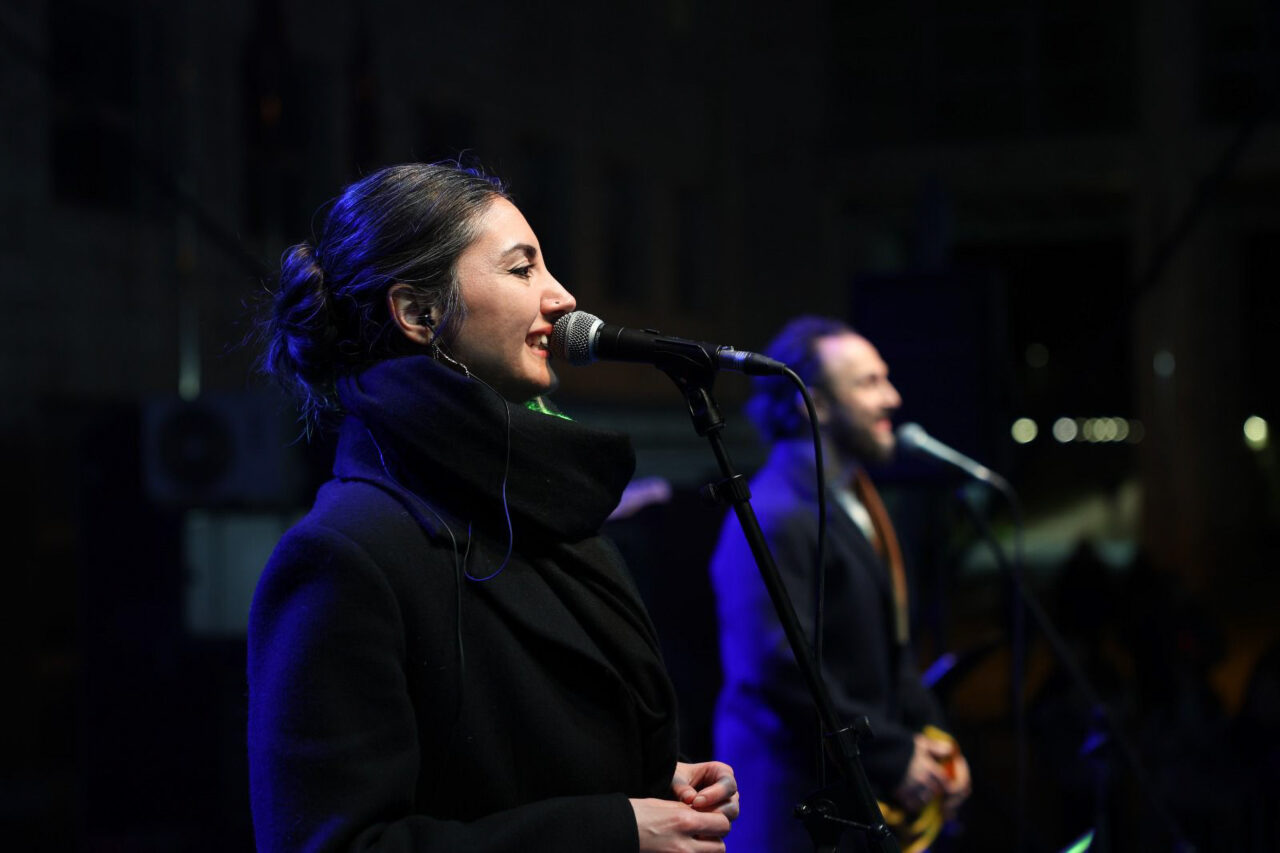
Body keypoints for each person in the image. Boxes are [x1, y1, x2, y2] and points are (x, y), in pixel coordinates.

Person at [248, 161, 738, 852]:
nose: (563, 297)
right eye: (522, 269)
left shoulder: (537, 504)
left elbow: (522, 765)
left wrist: (656, 779)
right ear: (419, 314)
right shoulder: (343, 554)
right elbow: (338, 844)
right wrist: (613, 830)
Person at [709, 316, 970, 851]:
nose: (893, 398)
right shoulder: (775, 513)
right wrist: (893, 756)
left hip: (847, 796)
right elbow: (780, 668)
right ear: (816, 405)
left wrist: (935, 744)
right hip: (795, 811)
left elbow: (892, 652)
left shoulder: (855, 496)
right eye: (869, 383)